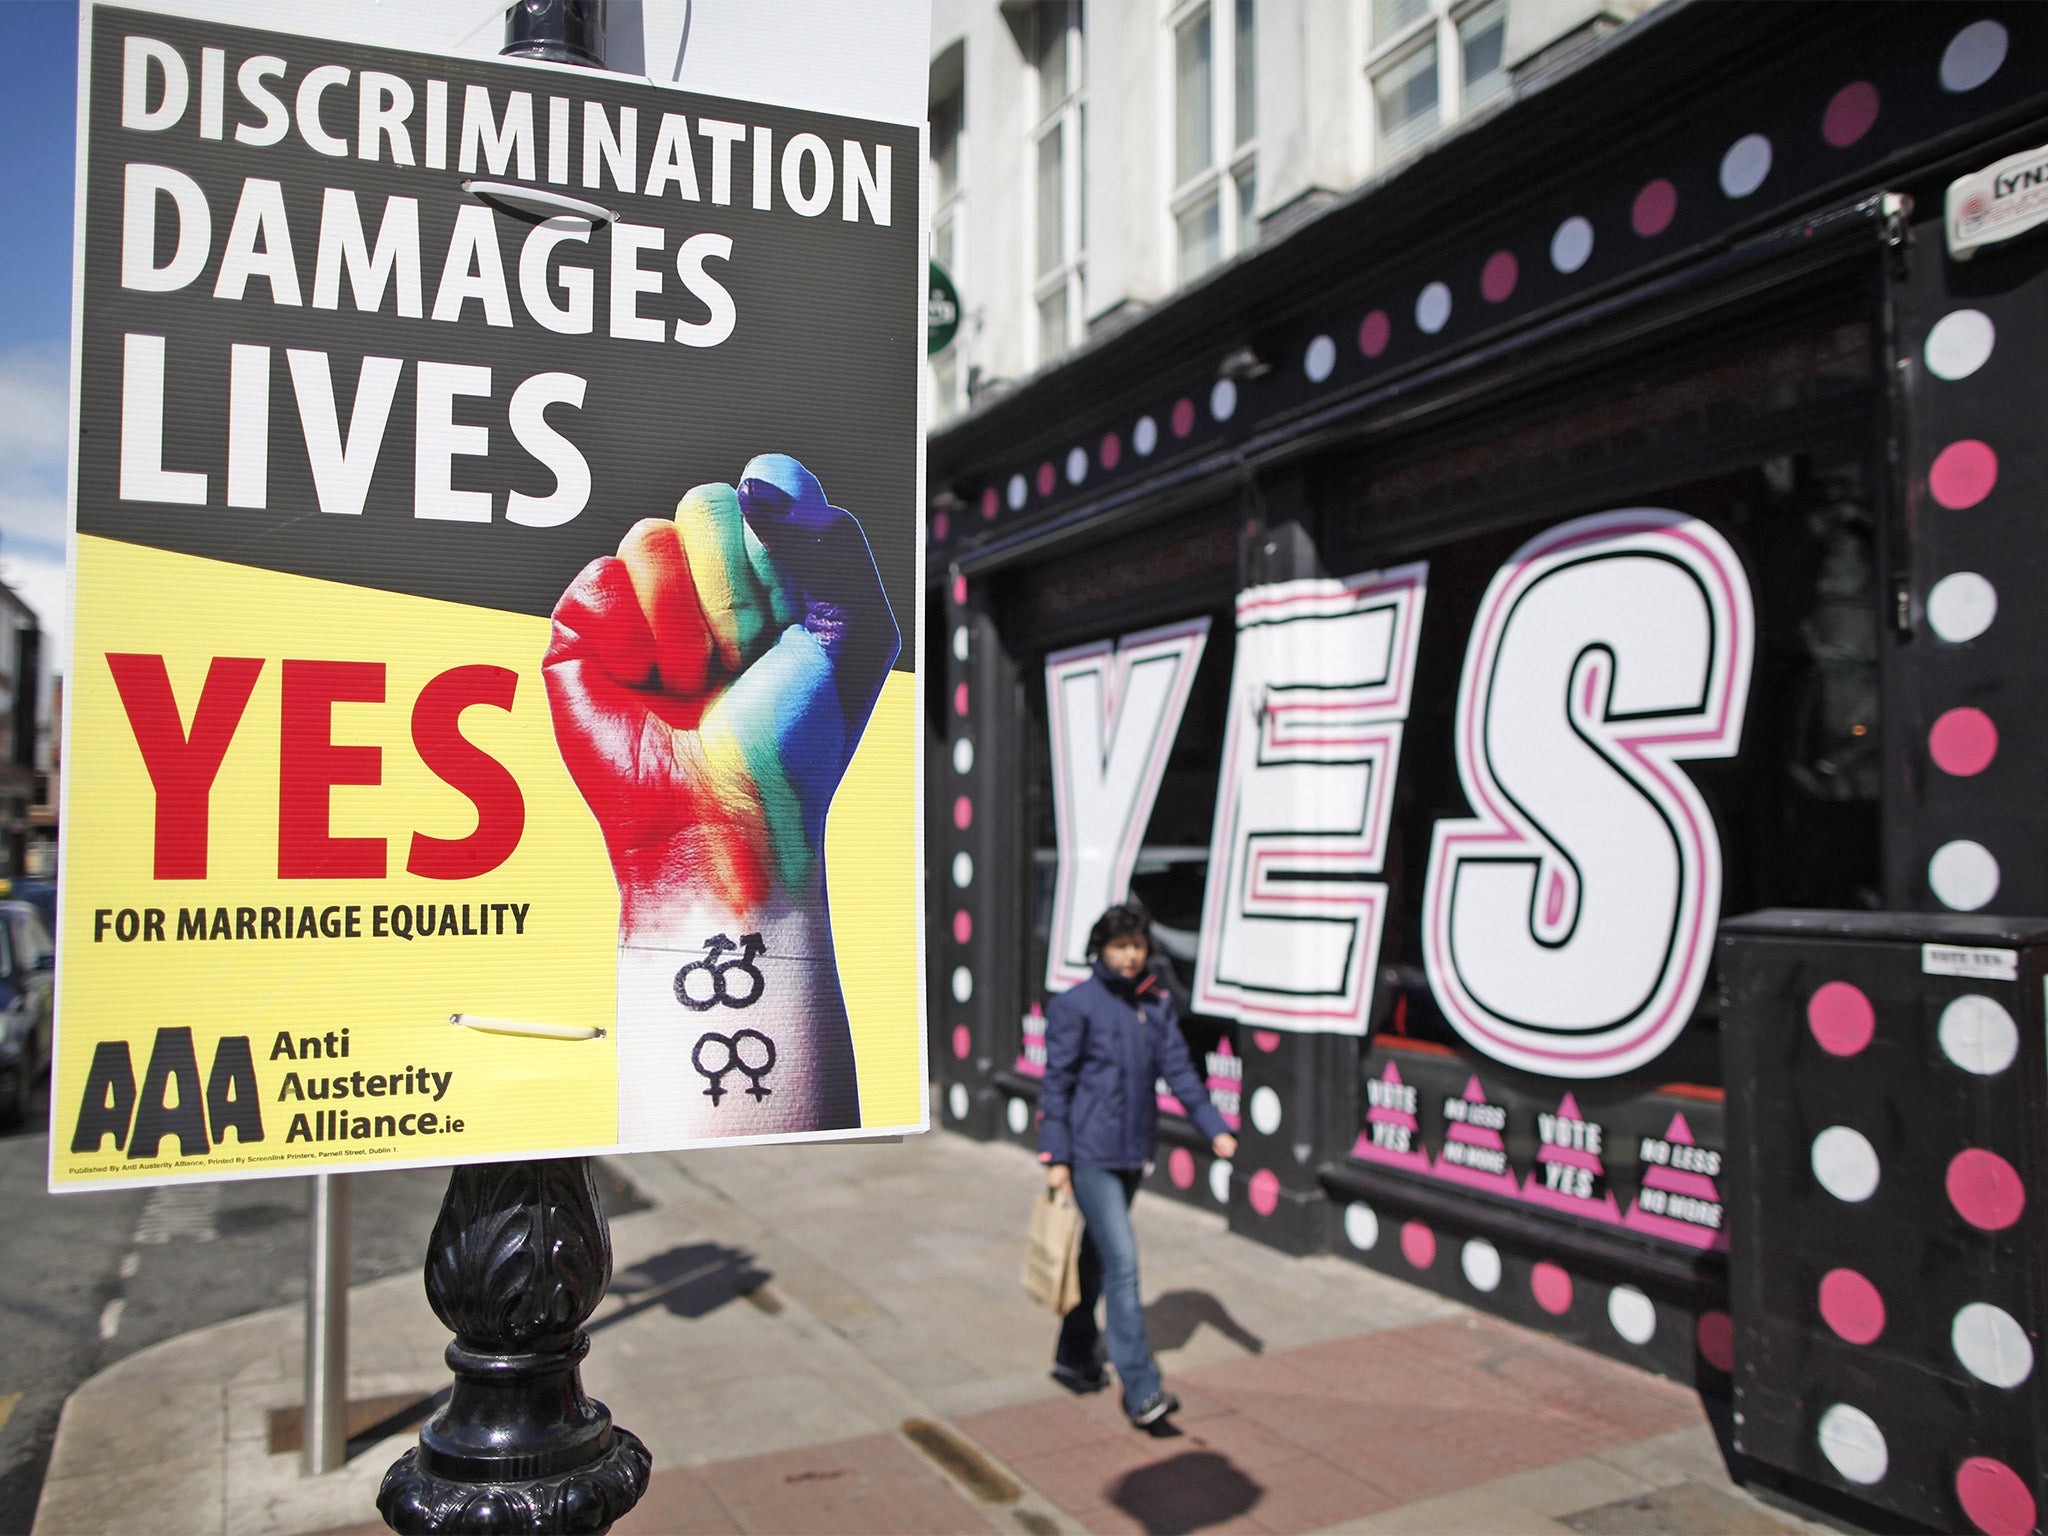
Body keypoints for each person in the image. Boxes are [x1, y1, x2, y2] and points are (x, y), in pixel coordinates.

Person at [1037, 900, 1238, 1428]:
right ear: (1100, 949)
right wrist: (1056, 1156)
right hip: (1089, 1155)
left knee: (1096, 1258)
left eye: (1137, 946)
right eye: (1120, 946)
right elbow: (1056, 1084)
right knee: (1123, 1262)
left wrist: (1215, 1130)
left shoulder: (1156, 1005)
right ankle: (1142, 1390)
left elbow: (1181, 1073)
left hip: (1133, 1152)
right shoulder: (1075, 1005)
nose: (1130, 956)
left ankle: (1074, 1357)